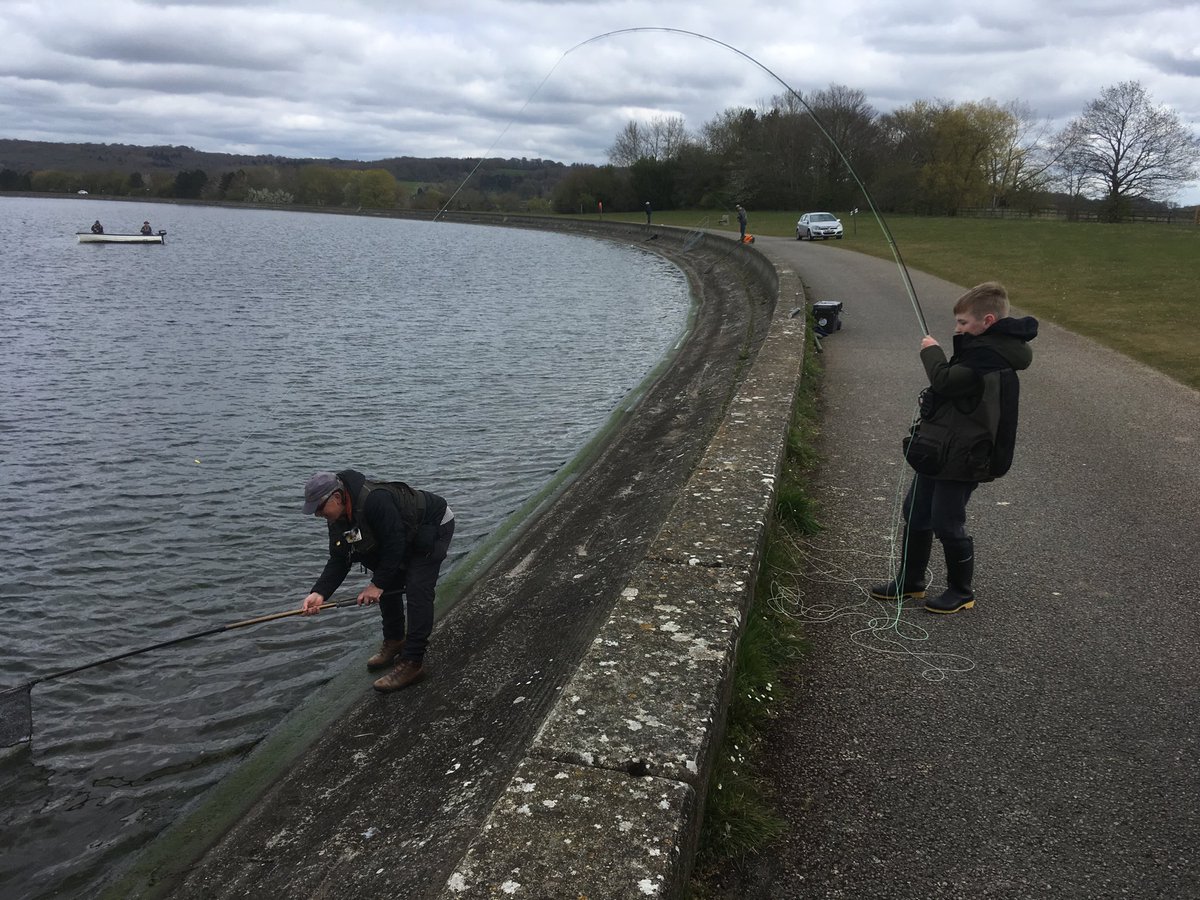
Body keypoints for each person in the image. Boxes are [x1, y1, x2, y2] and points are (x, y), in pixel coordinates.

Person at [870, 282, 1038, 614]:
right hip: (940, 450)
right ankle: (911, 581)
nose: (957, 329)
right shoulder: (980, 348)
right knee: (916, 512)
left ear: (987, 321)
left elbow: (944, 380)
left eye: (963, 323)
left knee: (947, 522)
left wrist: (930, 350)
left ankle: (961, 591)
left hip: (964, 457)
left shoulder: (990, 358)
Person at [300, 469, 455, 691]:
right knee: (385, 579)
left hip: (433, 522)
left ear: (336, 497)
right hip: (402, 534)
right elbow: (339, 558)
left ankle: (412, 662)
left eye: (319, 509)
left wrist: (378, 585)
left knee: (416, 588)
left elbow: (395, 544)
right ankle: (394, 641)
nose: (317, 515)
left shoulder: (375, 500)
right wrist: (319, 593)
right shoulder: (337, 518)